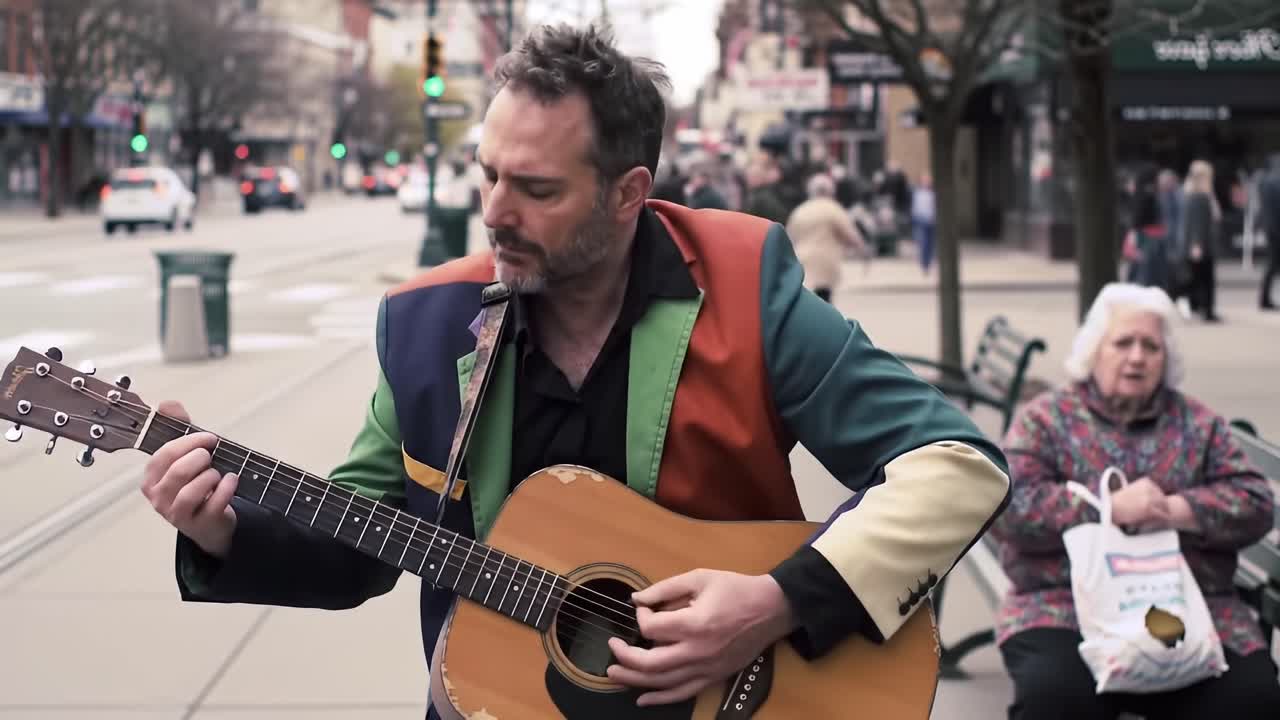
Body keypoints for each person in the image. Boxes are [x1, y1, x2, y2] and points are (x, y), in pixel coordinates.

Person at [141, 24, 1011, 717]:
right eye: (487, 176)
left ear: (629, 193)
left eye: (537, 190)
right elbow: (361, 545)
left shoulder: (747, 286)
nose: (495, 213)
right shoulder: (425, 326)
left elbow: (956, 466)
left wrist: (776, 602)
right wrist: (223, 531)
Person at [991, 283, 1278, 720]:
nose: (1138, 357)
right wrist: (1106, 509)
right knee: (1057, 698)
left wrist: (1180, 510)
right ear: (1094, 351)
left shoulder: (1198, 425)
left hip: (1192, 606)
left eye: (1151, 346)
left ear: (1167, 359)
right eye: (1123, 342)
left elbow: (1256, 502)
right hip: (1062, 608)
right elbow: (1008, 507)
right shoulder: (1046, 420)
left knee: (1249, 699)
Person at [784, 172, 866, 303]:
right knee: (824, 299)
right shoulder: (833, 209)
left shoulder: (800, 210)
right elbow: (849, 233)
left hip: (802, 259)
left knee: (807, 298)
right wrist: (862, 249)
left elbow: (789, 235)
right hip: (825, 260)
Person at [1177, 160, 1223, 322]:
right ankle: (1206, 309)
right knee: (1205, 279)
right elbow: (1198, 223)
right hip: (1202, 244)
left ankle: (1198, 307)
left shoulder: (1190, 194)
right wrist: (1196, 244)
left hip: (1197, 244)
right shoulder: (1201, 197)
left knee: (1198, 278)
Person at [1258, 153, 1280, 310]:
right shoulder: (1276, 181)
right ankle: (1265, 299)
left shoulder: (1264, 180)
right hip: (1276, 228)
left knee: (1271, 264)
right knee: (1272, 264)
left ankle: (1264, 298)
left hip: (1269, 227)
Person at [910, 173, 936, 276]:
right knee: (923, 243)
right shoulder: (917, 193)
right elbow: (915, 208)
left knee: (931, 244)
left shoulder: (933, 193)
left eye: (929, 180)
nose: (927, 182)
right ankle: (924, 264)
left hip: (932, 220)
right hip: (921, 220)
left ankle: (929, 263)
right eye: (925, 180)